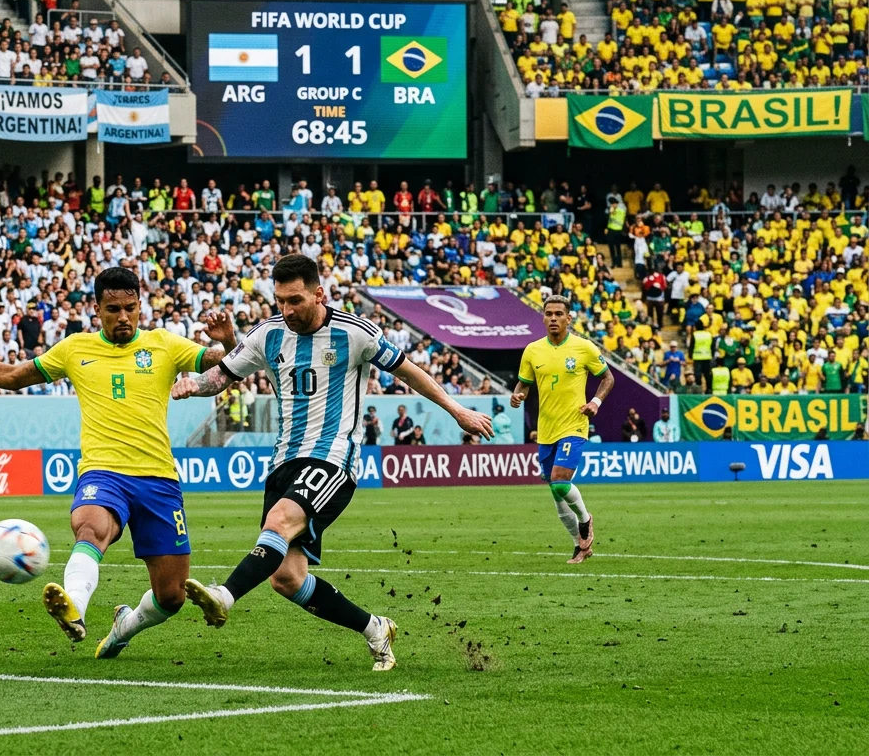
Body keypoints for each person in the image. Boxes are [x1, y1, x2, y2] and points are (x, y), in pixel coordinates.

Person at [173, 254, 493, 671]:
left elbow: (409, 372)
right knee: (286, 579)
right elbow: (223, 376)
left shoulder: (354, 333)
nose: (287, 310)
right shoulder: (268, 334)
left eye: (295, 300)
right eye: (281, 301)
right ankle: (375, 628)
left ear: (319, 292)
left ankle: (224, 596)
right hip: (284, 460)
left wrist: (457, 410)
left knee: (279, 523)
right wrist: (192, 384)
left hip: (333, 458)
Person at [0, 267, 236, 659]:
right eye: (113, 309)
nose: (123, 317)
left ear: (140, 306)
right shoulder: (75, 348)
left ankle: (124, 627)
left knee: (171, 596)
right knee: (91, 527)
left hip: (158, 479)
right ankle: (74, 608)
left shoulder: (163, 344)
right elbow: (11, 375)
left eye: (130, 308)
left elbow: (223, 368)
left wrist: (228, 341)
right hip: (103, 471)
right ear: (97, 308)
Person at [510, 295, 615, 565]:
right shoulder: (532, 351)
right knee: (556, 491)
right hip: (546, 430)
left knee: (559, 481)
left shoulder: (584, 348)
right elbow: (524, 385)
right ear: (543, 317)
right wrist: (517, 395)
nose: (553, 318)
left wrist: (596, 402)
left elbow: (608, 377)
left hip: (574, 424)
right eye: (549, 314)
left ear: (569, 318)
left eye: (559, 314)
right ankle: (579, 545)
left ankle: (585, 520)